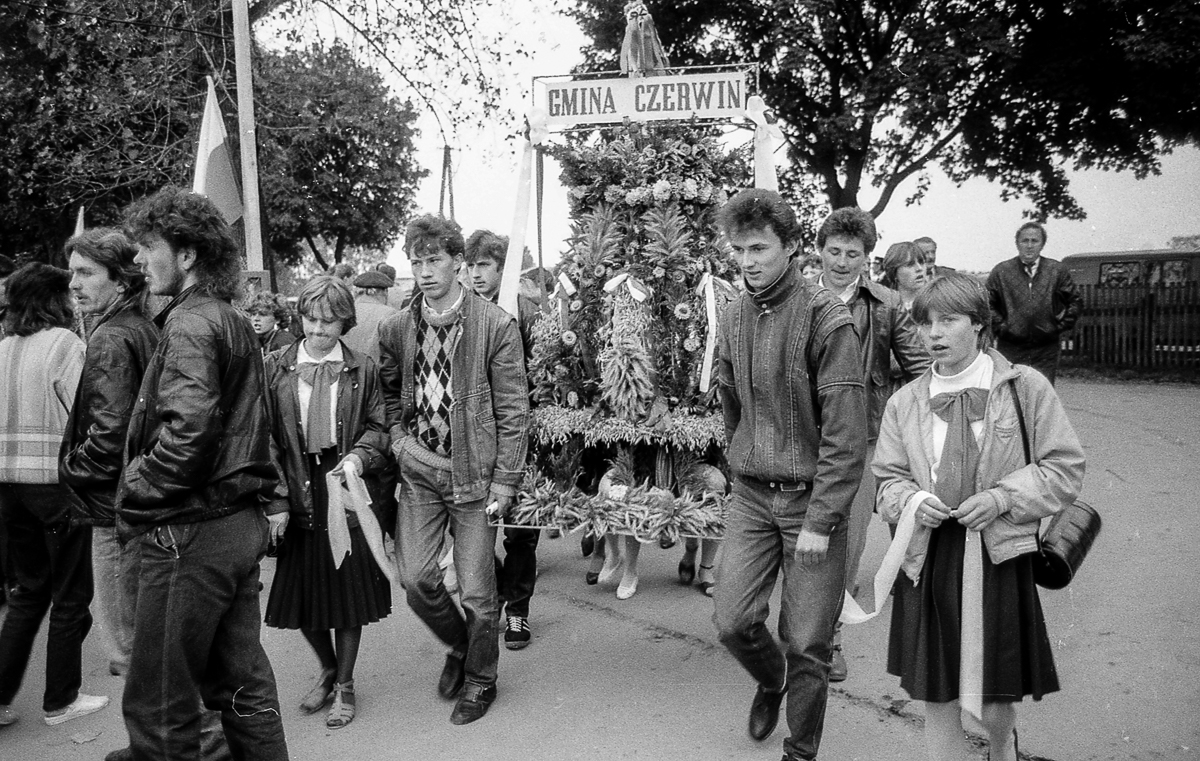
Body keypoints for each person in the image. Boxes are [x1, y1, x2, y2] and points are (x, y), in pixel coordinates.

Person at [873, 273, 1085, 761]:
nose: (934, 334)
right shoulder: (904, 402)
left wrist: (1002, 499)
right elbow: (886, 480)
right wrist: (911, 500)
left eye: (948, 320)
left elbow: (1064, 467)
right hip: (930, 558)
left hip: (997, 556)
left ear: (979, 324)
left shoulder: (1023, 387)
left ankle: (1001, 741)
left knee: (993, 700)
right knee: (938, 694)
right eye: (924, 323)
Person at [111, 186, 288, 760]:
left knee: (160, 706)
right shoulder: (226, 317)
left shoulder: (191, 323)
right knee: (243, 688)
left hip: (192, 531)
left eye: (148, 246)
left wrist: (132, 489)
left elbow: (188, 436)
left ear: (187, 255)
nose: (138, 258)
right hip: (232, 524)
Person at [712, 189, 867, 761]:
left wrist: (822, 521)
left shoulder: (828, 319)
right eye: (738, 250)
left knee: (807, 642)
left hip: (811, 503)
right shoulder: (734, 315)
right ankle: (770, 679)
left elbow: (846, 437)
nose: (747, 261)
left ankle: (800, 751)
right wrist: (743, 464)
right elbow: (731, 405)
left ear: (793, 246)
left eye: (759, 248)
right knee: (732, 621)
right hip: (753, 496)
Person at [378, 215, 529, 725]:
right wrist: (399, 439)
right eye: (416, 261)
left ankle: (481, 680)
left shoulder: (494, 325)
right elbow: (389, 394)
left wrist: (505, 479)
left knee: (480, 593)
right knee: (416, 579)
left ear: (457, 262)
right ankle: (463, 646)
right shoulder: (397, 327)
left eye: (434, 259)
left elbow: (514, 409)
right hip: (420, 471)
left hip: (474, 476)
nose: (424, 271)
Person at [262, 276, 393, 730]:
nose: (318, 330)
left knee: (346, 594)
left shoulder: (362, 368)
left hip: (344, 485)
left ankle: (345, 685)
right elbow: (266, 438)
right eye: (310, 320)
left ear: (345, 323)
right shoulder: (276, 366)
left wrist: (359, 457)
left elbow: (378, 427)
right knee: (299, 593)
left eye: (329, 322)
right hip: (296, 485)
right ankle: (328, 668)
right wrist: (277, 500)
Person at [816, 208, 930, 682]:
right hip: (801, 439)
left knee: (844, 540)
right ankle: (799, 624)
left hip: (861, 441)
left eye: (853, 254)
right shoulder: (796, 298)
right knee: (798, 537)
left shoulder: (886, 305)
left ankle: (829, 640)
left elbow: (922, 370)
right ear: (819, 251)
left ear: (867, 259)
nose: (842, 262)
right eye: (834, 251)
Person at [0, 262, 103, 729]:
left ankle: (0, 696)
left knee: (28, 592)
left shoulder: (3, 348)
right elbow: (87, 415)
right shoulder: (66, 345)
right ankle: (61, 700)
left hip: (8, 488)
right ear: (55, 299)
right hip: (54, 485)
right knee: (70, 595)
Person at [60, 229, 159, 680]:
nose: (74, 284)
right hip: (135, 501)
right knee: (143, 639)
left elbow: (110, 436)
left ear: (120, 279)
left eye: (85, 273)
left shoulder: (113, 336)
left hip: (113, 508)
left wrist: (70, 470)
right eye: (72, 273)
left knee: (128, 647)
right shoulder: (137, 325)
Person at [464, 228, 543, 641]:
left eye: (484, 265)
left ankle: (518, 611)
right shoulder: (464, 308)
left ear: (502, 268)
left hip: (517, 431)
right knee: (475, 530)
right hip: (476, 435)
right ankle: (495, 593)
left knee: (520, 532)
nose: (476, 273)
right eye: (471, 265)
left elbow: (542, 369)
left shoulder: (523, 309)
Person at [986, 222, 1083, 385]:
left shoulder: (1056, 270)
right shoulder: (1001, 271)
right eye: (1025, 241)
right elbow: (986, 303)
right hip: (1011, 347)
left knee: (1042, 392)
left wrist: (1057, 327)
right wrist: (1003, 328)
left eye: (1034, 241)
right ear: (1017, 243)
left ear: (1042, 244)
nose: (1029, 246)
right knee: (1012, 392)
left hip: (1045, 348)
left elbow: (1074, 301)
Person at [341, 269, 398, 362]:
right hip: (374, 369)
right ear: (383, 292)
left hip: (344, 368)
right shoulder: (390, 314)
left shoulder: (344, 311)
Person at [880, 241, 928, 310]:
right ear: (894, 272)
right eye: (910, 264)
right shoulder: (882, 308)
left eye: (921, 262)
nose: (919, 268)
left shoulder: (937, 305)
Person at [246, 290, 296, 357]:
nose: (256, 319)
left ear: (277, 319)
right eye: (253, 314)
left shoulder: (283, 341)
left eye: (263, 314)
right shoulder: (260, 340)